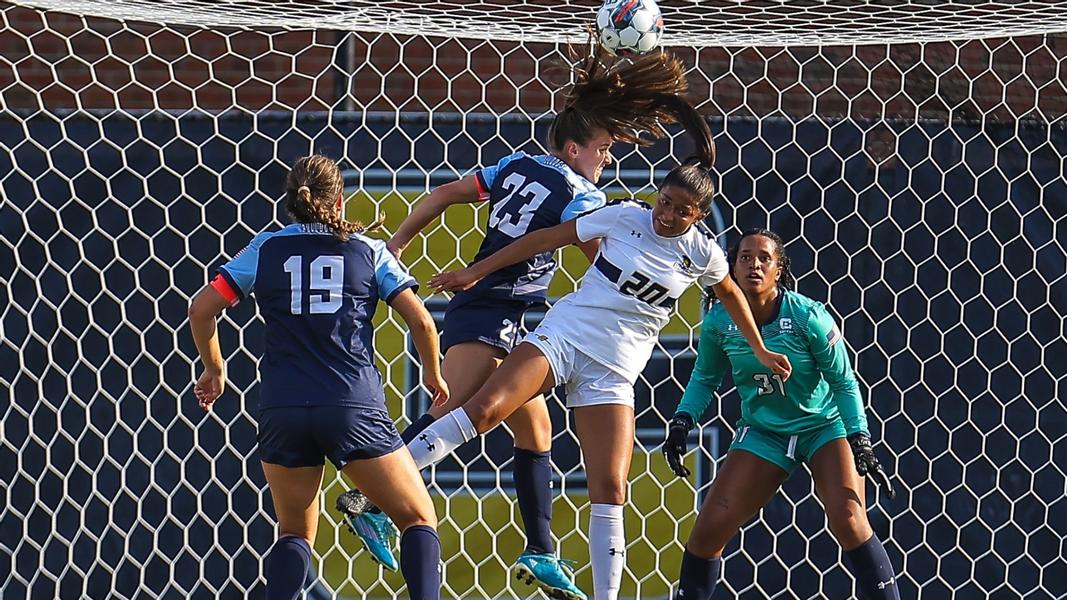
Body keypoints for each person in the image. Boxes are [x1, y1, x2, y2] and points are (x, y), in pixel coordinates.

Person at [338, 42, 699, 599]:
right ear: (575, 146)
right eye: (602, 149)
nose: (606, 158)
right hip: (496, 307)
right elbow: (601, 261)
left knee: (535, 430)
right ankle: (367, 497)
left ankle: (540, 550)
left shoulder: (515, 165)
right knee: (457, 406)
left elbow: (446, 194)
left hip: (502, 310)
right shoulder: (583, 194)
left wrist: (398, 243)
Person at [400, 103, 792, 600]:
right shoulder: (625, 215)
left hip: (614, 370)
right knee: (483, 408)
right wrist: (474, 272)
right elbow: (545, 237)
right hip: (565, 337)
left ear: (697, 217)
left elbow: (732, 294)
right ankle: (388, 479)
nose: (666, 214)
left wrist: (757, 348)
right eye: (664, 201)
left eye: (680, 210)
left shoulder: (703, 252)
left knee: (611, 490)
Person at [187, 155, 448, 600]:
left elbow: (201, 308)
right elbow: (421, 322)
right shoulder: (368, 249)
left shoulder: (265, 248)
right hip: (350, 404)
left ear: (291, 202)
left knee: (294, 534)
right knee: (418, 519)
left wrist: (215, 367)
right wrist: (433, 372)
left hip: (282, 407)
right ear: (340, 200)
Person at [661, 228, 899, 600]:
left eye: (764, 258)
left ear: (779, 271)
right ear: (732, 269)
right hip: (763, 432)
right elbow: (705, 377)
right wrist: (682, 420)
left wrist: (860, 439)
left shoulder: (809, 317)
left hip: (824, 427)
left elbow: (844, 381)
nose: (754, 264)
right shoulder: (719, 323)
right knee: (708, 531)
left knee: (849, 519)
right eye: (744, 257)